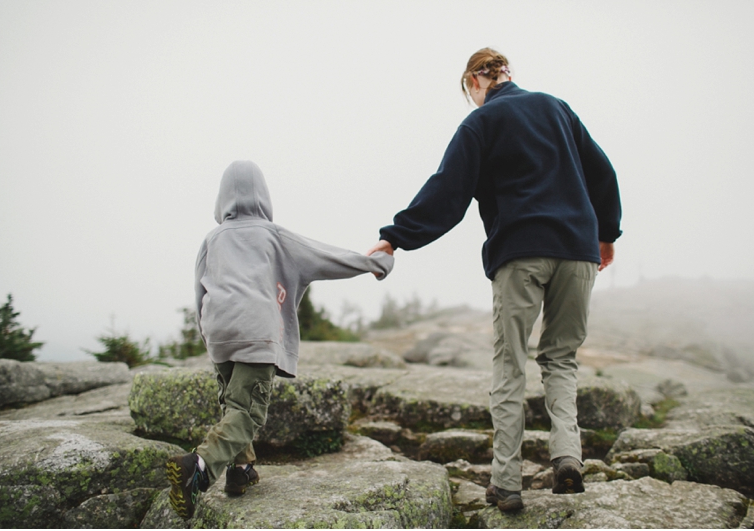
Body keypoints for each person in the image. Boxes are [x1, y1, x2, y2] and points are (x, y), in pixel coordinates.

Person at [368, 47, 621, 512]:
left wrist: (394, 239)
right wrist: (607, 234)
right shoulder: (555, 107)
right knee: (561, 358)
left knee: (510, 366)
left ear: (474, 83)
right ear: (507, 73)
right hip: (578, 251)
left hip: (520, 252)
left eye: (469, 91)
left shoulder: (480, 122)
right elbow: (602, 172)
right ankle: (568, 457)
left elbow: (447, 191)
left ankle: (507, 483)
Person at [166, 160, 394, 520]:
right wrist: (374, 263)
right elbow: (327, 258)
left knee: (233, 402)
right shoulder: (274, 235)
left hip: (219, 331)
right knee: (246, 412)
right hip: (256, 330)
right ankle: (199, 466)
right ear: (263, 195)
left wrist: (208, 335)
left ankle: (241, 472)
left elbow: (199, 291)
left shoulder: (212, 239)